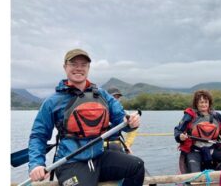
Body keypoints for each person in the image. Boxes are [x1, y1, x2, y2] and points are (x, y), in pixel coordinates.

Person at [27, 49, 145, 185]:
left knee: (136, 166)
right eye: (73, 64)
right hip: (69, 163)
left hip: (99, 158)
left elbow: (122, 120)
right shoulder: (52, 102)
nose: (79, 68)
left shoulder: (102, 95)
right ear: (65, 67)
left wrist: (131, 123)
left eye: (83, 65)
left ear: (88, 68)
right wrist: (36, 164)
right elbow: (38, 135)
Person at [174, 90, 221, 173]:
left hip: (213, 149)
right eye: (201, 102)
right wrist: (180, 136)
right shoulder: (189, 115)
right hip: (194, 151)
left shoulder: (217, 116)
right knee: (194, 173)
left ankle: (220, 172)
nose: (204, 104)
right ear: (196, 103)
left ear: (209, 103)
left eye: (206, 102)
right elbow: (178, 130)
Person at [104, 87, 137, 153]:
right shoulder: (99, 112)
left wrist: (127, 145)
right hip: (100, 146)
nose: (115, 99)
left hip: (117, 145)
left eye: (118, 97)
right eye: (113, 97)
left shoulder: (124, 114)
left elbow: (132, 132)